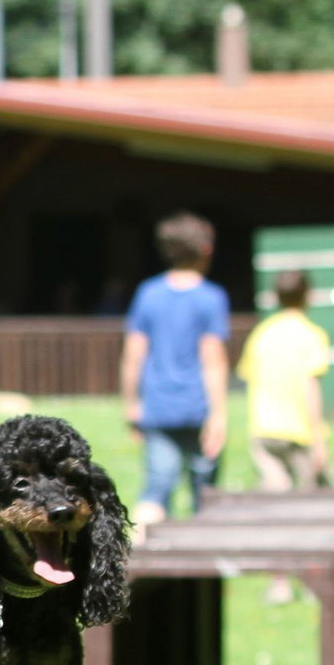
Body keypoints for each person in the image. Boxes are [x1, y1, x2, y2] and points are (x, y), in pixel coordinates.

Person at [119, 212, 230, 529]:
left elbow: (133, 355)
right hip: (198, 408)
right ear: (206, 249)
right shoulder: (211, 298)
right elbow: (214, 359)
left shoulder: (148, 294)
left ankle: (141, 569)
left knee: (155, 493)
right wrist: (218, 414)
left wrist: (131, 403)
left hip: (157, 407)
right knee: (206, 496)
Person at [236, 269, 330, 599]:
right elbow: (310, 387)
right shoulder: (311, 334)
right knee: (308, 509)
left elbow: (248, 376)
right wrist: (320, 438)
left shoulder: (262, 333)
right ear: (308, 295)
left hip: (263, 429)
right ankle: (314, 579)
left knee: (276, 509)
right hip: (298, 431)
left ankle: (279, 584)